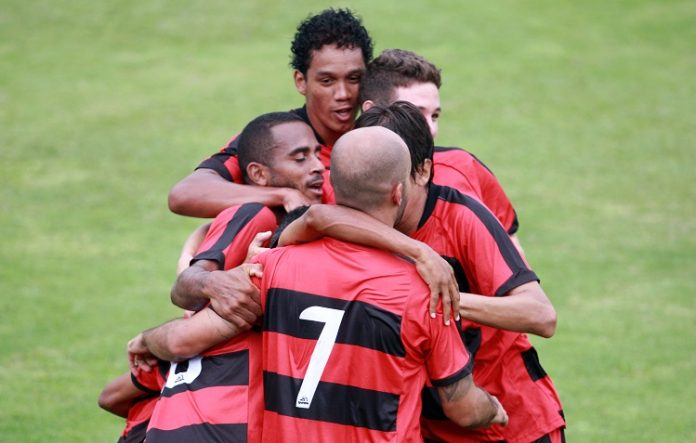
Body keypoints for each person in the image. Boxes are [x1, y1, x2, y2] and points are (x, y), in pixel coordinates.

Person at [277, 102, 565, 443]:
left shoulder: (460, 218)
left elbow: (541, 315)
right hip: (428, 427)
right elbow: (313, 219)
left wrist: (438, 301)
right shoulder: (356, 200)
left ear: (422, 171)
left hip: (510, 421)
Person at [254, 126, 507, 441]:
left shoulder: (272, 265)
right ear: (398, 192)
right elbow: (463, 408)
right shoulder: (424, 292)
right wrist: (493, 409)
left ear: (334, 185)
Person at [125, 111, 326, 443]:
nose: (318, 166)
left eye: (317, 154)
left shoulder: (303, 222)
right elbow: (186, 287)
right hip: (216, 418)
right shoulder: (256, 216)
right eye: (300, 158)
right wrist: (217, 283)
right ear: (258, 174)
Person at [167, 8, 373, 217]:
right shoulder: (277, 141)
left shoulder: (380, 138)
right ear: (301, 81)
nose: (343, 94)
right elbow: (184, 194)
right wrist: (282, 196)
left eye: (354, 79)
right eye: (327, 81)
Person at [359, 48, 522, 247]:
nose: (432, 129)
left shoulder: (464, 168)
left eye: (435, 116)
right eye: (416, 114)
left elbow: (510, 246)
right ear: (372, 111)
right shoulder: (340, 180)